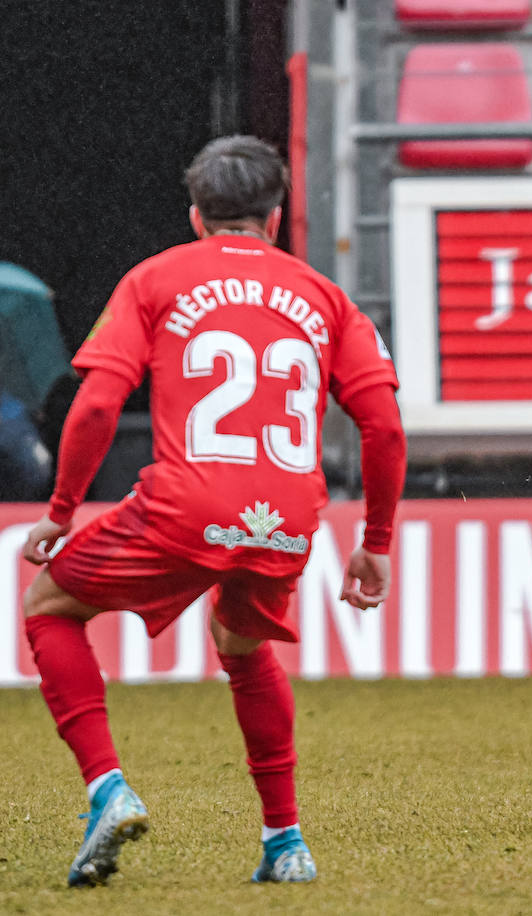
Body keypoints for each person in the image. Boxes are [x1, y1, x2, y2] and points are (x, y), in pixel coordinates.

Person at [21, 135, 406, 885]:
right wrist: (377, 541)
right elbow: (384, 426)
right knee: (240, 643)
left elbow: (98, 403)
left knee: (48, 604)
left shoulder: (155, 278)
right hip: (287, 517)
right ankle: (285, 842)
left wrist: (62, 509)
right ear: (277, 214)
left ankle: (107, 787)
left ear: (197, 216)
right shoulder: (325, 295)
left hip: (184, 501)